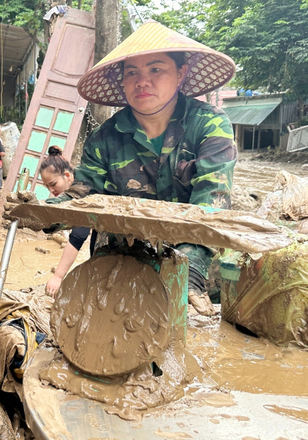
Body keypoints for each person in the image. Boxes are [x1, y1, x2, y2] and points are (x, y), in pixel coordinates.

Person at [70, 20, 238, 316]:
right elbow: (82, 198)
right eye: (132, 72)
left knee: (191, 342)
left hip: (195, 260)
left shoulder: (209, 124)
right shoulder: (104, 138)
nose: (142, 81)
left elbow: (213, 202)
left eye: (155, 69)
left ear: (181, 73)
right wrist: (40, 210)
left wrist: (190, 277)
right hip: (121, 261)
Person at [38, 146, 97, 298]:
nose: (51, 190)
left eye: (53, 184)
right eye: (47, 186)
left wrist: (58, 277)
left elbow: (78, 236)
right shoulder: (75, 184)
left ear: (67, 175)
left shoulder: (84, 186)